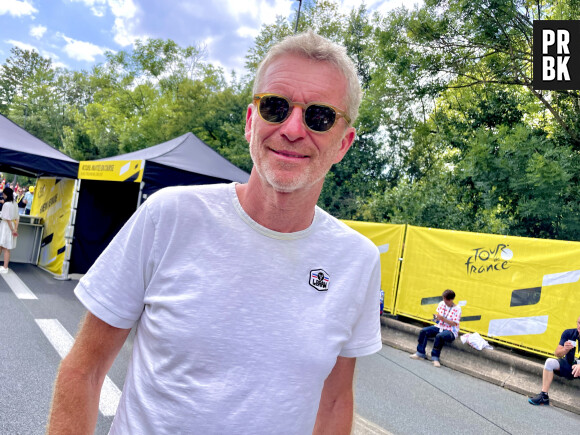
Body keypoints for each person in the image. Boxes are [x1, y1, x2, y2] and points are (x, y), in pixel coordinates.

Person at [47, 30, 382, 435]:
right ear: (250, 121)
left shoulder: (357, 261)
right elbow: (85, 367)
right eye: (275, 107)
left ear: (343, 144)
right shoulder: (169, 216)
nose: (293, 129)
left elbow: (334, 400)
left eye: (320, 116)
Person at [528, 316, 580, 406]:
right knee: (549, 362)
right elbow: (557, 353)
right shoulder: (569, 333)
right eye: (579, 323)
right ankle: (543, 396)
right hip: (569, 365)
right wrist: (565, 349)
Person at [409, 289, 461, 367]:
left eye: (447, 300)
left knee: (439, 336)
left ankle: (435, 358)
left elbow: (454, 323)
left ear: (452, 299)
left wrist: (443, 318)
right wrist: (436, 318)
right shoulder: (442, 304)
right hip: (439, 326)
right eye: (444, 298)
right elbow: (438, 317)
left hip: (450, 330)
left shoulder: (457, 309)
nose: (445, 301)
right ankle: (420, 353)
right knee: (424, 331)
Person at [0, 187, 19, 274]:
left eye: (3, 194)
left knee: (4, 246)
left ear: (6, 194)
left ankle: (5, 267)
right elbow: (17, 217)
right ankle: (5, 267)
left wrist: (12, 230)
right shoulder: (15, 204)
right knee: (6, 247)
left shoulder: (6, 204)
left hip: (5, 226)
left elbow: (6, 218)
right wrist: (15, 228)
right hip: (12, 225)